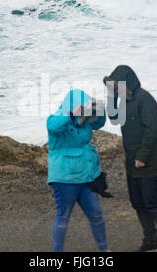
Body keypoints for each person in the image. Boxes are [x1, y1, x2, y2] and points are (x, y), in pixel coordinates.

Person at [104, 65, 157, 252]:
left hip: (148, 162)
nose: (115, 91)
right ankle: (151, 240)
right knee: (137, 203)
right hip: (131, 162)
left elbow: (152, 131)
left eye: (116, 87)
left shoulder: (145, 99)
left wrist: (142, 157)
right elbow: (112, 118)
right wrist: (111, 97)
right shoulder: (123, 102)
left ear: (127, 83)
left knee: (151, 203)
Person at [47, 89, 110, 252]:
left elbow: (99, 123)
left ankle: (104, 250)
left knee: (96, 214)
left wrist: (100, 111)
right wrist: (71, 114)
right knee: (63, 216)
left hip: (86, 176)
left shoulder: (86, 121)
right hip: (64, 178)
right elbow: (52, 127)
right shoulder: (56, 119)